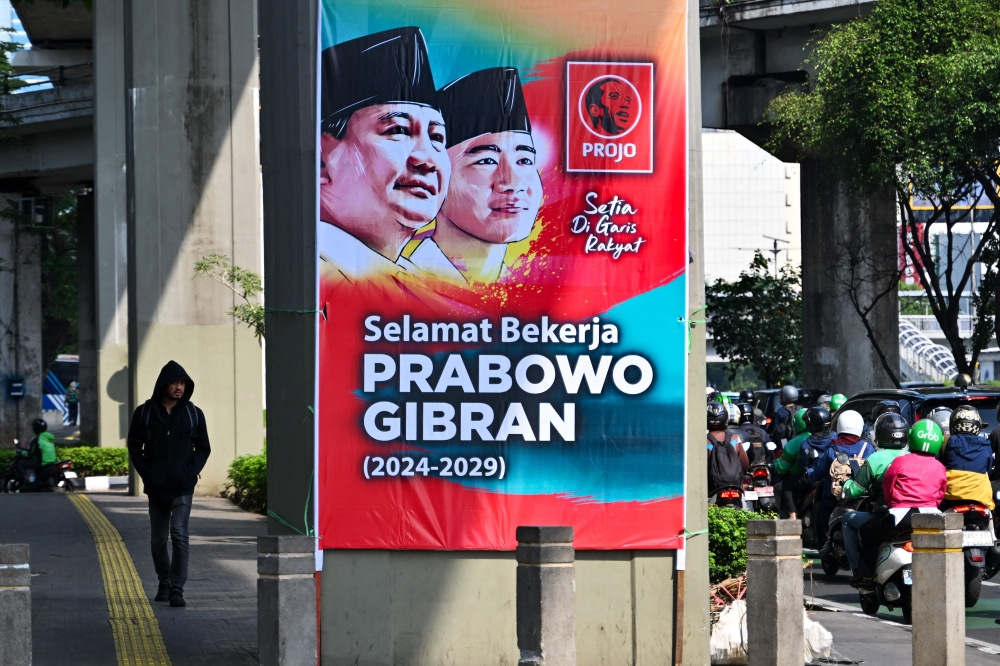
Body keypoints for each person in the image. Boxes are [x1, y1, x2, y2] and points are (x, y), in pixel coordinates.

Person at [317, 28, 451, 283]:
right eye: (398, 131)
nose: (427, 158)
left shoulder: (418, 284)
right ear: (322, 160)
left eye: (437, 137)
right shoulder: (311, 279)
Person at [408, 68, 542, 285]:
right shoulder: (396, 285)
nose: (513, 183)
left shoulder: (528, 293)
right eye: (486, 161)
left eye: (524, 161)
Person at [127, 361, 211, 608]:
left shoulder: (193, 413)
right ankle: (163, 580)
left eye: (183, 383)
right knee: (158, 540)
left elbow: (203, 448)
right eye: (175, 383)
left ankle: (177, 588)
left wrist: (191, 472)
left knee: (180, 535)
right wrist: (148, 474)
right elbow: (134, 447)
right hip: (156, 487)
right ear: (164, 385)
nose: (179, 387)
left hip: (183, 486)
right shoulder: (144, 413)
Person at [856, 420, 948, 587]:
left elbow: (888, 488)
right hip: (932, 518)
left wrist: (893, 504)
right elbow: (940, 495)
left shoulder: (900, 461)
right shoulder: (940, 467)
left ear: (910, 438)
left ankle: (867, 577)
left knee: (865, 533)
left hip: (899, 517)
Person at [841, 413, 909, 585]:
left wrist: (846, 482)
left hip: (887, 516)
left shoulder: (876, 459)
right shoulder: (913, 456)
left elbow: (855, 491)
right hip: (919, 514)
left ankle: (859, 572)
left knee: (848, 520)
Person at [807, 410, 872, 549]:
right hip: (861, 495)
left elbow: (818, 473)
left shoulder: (832, 448)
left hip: (834, 496)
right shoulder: (868, 448)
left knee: (822, 508)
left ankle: (825, 541)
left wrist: (809, 473)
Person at [938, 405, 995, 511]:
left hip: (949, 498)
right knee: (992, 525)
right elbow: (988, 469)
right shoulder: (986, 445)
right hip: (981, 500)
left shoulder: (945, 442)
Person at [707, 402, 749, 493]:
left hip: (713, 488)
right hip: (735, 486)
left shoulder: (704, 441)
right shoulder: (735, 439)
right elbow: (745, 465)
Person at [775, 408, 809, 518]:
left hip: (803, 477)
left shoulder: (794, 442)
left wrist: (775, 463)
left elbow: (783, 468)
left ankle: (791, 517)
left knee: (783, 486)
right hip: (821, 476)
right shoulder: (825, 437)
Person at [13, 419, 56, 485]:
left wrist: (20, 452)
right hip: (52, 461)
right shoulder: (49, 437)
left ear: (35, 428)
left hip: (42, 462)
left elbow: (30, 454)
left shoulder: (37, 438)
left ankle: (27, 481)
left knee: (20, 464)